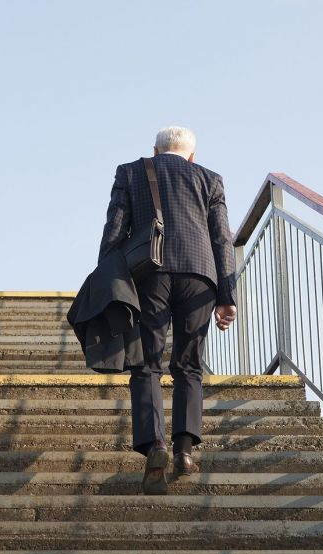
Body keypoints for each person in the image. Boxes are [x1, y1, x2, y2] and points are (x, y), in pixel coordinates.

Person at [98, 126, 237, 494]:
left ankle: (155, 445)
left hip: (149, 273)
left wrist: (107, 282)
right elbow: (223, 239)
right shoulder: (210, 179)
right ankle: (185, 451)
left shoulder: (131, 172)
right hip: (199, 276)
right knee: (189, 364)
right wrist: (227, 295)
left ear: (155, 151)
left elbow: (114, 230)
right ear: (192, 156)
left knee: (146, 364)